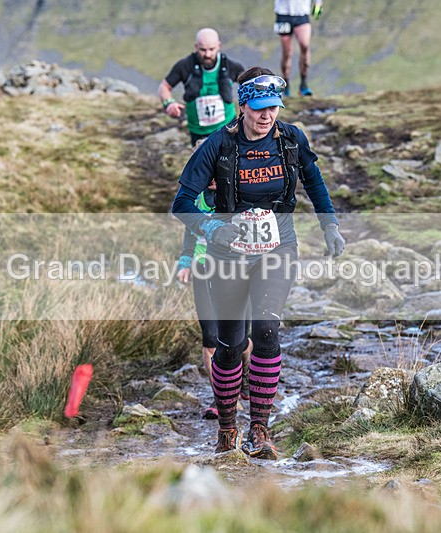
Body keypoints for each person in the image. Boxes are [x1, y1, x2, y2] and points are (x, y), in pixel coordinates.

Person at [172, 67, 345, 458]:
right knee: (230, 346)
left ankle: (261, 430)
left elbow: (314, 182)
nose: (267, 116)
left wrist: (330, 225)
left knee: (266, 329)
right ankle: (228, 428)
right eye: (259, 108)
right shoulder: (217, 145)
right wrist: (213, 228)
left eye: (274, 108)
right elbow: (181, 204)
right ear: (243, 106)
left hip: (277, 246)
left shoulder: (290, 139)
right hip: (227, 256)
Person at [176, 180, 253, 420]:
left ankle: (245, 375)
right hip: (204, 269)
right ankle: (221, 398)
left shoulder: (241, 194)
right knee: (210, 340)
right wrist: (186, 261)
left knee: (240, 340)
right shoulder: (195, 199)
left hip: (237, 270)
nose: (210, 178)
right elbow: (190, 231)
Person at [158, 28, 245, 147]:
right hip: (198, 132)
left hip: (228, 127)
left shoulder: (231, 66)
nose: (207, 54)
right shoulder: (185, 66)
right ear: (196, 47)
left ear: (219, 46)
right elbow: (164, 87)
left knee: (230, 163)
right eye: (203, 50)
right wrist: (169, 103)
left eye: (211, 49)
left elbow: (248, 85)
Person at [274, 0, 323, 97]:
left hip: (302, 14)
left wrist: (318, 5)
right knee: (287, 52)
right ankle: (286, 84)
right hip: (283, 14)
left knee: (305, 46)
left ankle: (303, 84)